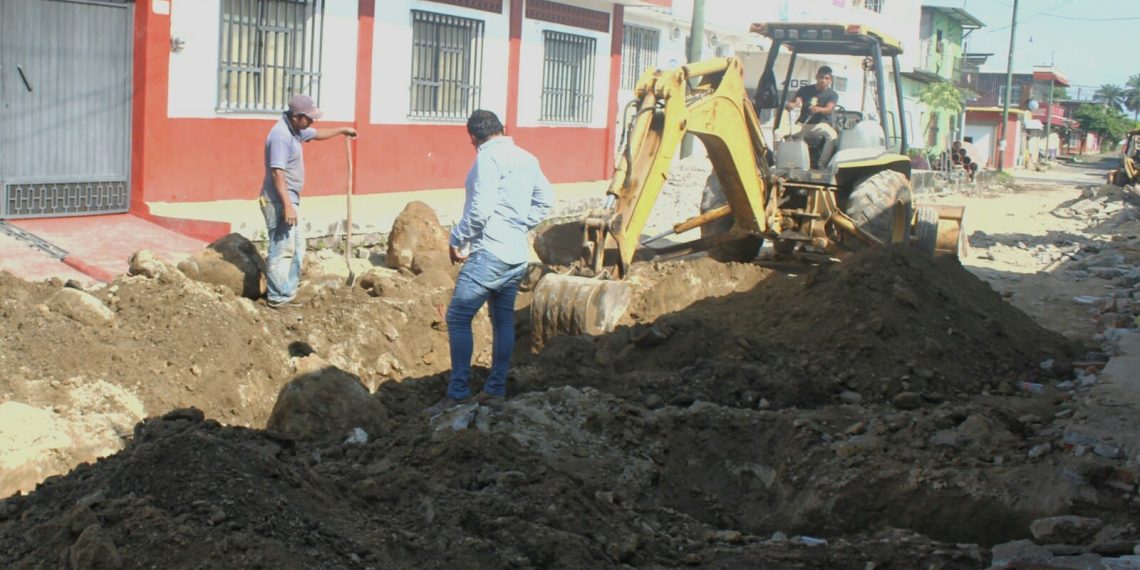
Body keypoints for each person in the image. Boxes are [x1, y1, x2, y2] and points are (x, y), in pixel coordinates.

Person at [422, 110, 553, 416]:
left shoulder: (487, 159)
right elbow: (546, 200)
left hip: (490, 253)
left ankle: (458, 393)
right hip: (516, 255)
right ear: (500, 128)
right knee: (503, 319)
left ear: (472, 137)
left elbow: (480, 210)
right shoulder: (527, 157)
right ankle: (495, 390)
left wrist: (457, 239)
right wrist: (519, 224)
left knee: (457, 317)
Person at [260, 94, 356, 308]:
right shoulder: (280, 136)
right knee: (282, 247)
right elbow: (277, 173)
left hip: (289, 200)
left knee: (297, 246)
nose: (312, 122)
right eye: (309, 118)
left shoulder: (295, 131)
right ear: (296, 117)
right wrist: (287, 205)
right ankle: (278, 298)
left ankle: (288, 292)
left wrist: (342, 130)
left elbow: (317, 133)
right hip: (278, 202)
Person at [786, 66, 839, 168]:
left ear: (830, 80)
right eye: (821, 77)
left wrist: (818, 109)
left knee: (832, 135)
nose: (823, 80)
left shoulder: (832, 94)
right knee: (778, 133)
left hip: (819, 125)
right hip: (803, 125)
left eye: (826, 78)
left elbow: (829, 109)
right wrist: (792, 105)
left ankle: (821, 164)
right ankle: (779, 161)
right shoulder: (805, 90)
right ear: (816, 77)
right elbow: (797, 101)